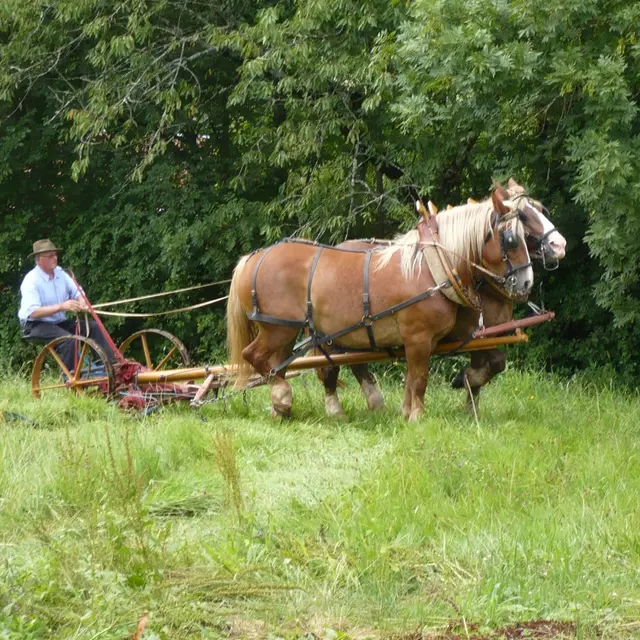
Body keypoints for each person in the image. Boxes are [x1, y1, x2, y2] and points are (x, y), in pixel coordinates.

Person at [18, 239, 114, 371]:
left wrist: (82, 301)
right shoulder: (31, 280)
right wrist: (62, 306)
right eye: (50, 256)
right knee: (68, 340)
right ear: (39, 259)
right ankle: (72, 381)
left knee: (93, 327)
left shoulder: (60, 273)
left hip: (58, 322)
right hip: (35, 324)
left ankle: (109, 368)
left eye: (55, 255)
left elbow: (77, 291)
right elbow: (33, 312)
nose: (55, 258)